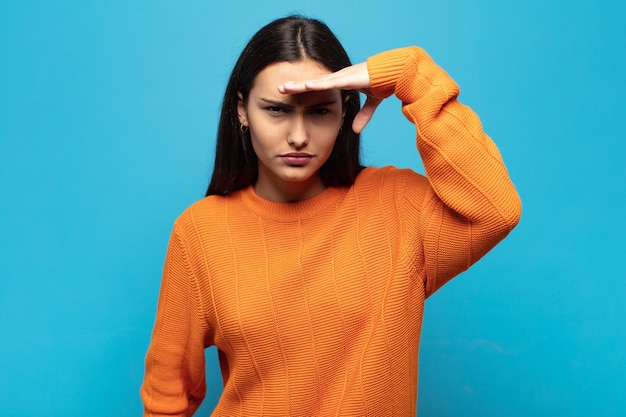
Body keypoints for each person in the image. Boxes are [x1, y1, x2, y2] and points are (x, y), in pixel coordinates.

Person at [140, 15, 521, 416]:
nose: (299, 135)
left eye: (320, 112)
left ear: (344, 113)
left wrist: (413, 74)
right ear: (242, 110)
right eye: (276, 110)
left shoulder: (398, 205)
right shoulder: (200, 232)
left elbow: (496, 210)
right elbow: (168, 394)